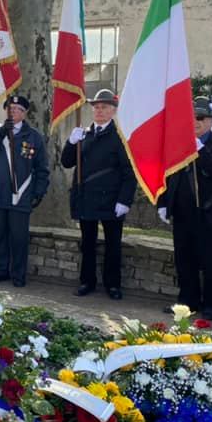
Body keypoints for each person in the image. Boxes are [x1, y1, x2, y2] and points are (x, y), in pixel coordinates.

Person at [157, 97, 212, 321]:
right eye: (192, 118)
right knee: (184, 260)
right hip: (182, 213)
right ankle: (187, 302)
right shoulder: (177, 146)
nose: (196, 122)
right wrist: (163, 203)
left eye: (201, 118)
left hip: (207, 214)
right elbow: (168, 177)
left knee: (210, 261)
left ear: (211, 121)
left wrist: (200, 149)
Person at [61, 89, 136, 300]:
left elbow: (129, 173)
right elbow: (67, 162)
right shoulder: (84, 134)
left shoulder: (121, 138)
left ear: (113, 111)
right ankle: (87, 282)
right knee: (88, 244)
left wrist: (125, 200)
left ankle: (113, 285)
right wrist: (71, 142)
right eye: (96, 107)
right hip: (87, 198)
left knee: (113, 245)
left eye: (104, 107)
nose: (99, 111)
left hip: (112, 200)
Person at [0, 94, 50, 288]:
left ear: (25, 114)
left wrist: (39, 192)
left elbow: (42, 167)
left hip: (21, 195)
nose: (14, 111)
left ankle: (18, 274)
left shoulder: (33, 136)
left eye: (18, 109)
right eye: (10, 108)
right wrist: (2, 132)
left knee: (19, 237)